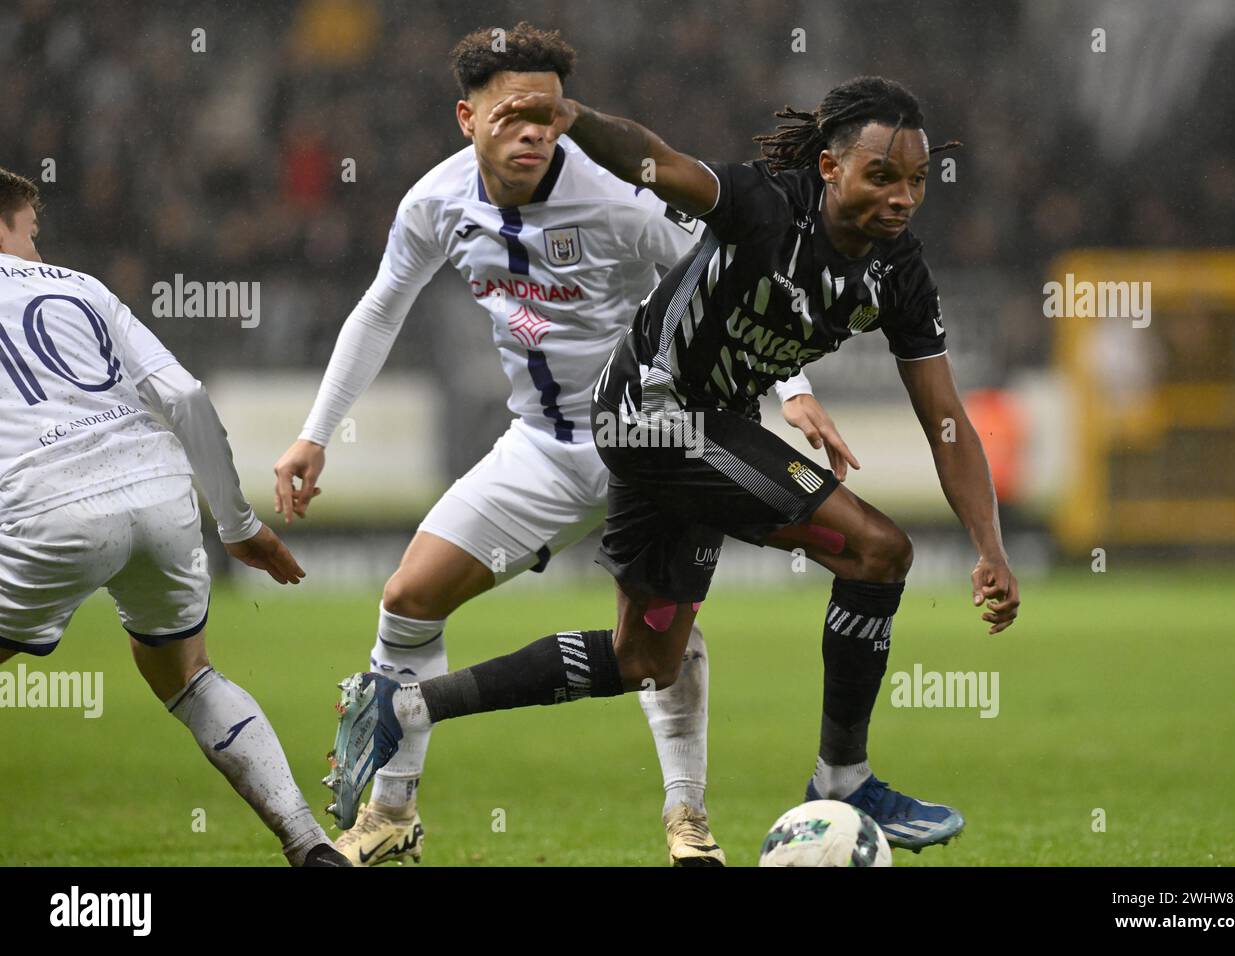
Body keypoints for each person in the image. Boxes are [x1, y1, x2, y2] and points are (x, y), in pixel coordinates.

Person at [328, 73, 1020, 856]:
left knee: (645, 658)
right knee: (879, 549)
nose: (903, 198)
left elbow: (948, 420)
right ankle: (843, 779)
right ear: (831, 168)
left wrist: (990, 547)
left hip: (703, 432)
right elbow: (656, 163)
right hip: (652, 415)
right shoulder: (764, 205)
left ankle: (409, 705)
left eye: (917, 181)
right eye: (883, 176)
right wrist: (577, 118)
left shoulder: (899, 273)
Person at [277, 22, 852, 867]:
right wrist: (313, 436)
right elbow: (380, 308)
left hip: (656, 435)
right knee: (407, 600)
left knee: (657, 636)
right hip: (544, 446)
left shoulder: (618, 196)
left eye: (547, 114)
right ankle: (392, 814)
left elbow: (729, 277)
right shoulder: (435, 203)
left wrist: (792, 391)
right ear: (465, 116)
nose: (533, 132)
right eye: (512, 114)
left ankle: (687, 824)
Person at [0, 168, 348, 867]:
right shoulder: (84, 288)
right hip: (159, 490)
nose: (37, 250)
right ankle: (310, 844)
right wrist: (238, 524)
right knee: (187, 674)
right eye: (30, 232)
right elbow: (186, 395)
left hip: (47, 504)